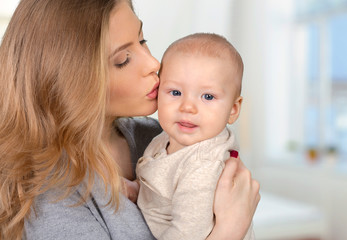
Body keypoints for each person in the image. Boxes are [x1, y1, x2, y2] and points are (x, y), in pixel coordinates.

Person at [0, 0, 260, 240]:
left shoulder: (161, 135)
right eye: (123, 60)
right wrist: (229, 229)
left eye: (142, 40)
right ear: (70, 83)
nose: (154, 63)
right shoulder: (55, 195)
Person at [135, 33, 255, 240]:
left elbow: (187, 234)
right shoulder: (164, 138)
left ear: (233, 110)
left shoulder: (203, 166)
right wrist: (131, 189)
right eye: (175, 92)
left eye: (208, 96)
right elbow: (159, 190)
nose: (187, 107)